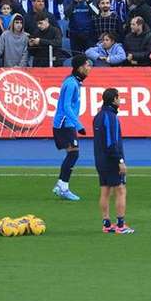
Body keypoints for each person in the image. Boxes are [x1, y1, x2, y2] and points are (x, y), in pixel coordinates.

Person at [92, 88, 134, 234]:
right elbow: (111, 142)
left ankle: (106, 224)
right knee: (121, 190)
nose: (120, 100)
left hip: (100, 159)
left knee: (105, 191)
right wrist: (120, 160)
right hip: (111, 160)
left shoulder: (98, 116)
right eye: (119, 98)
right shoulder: (111, 117)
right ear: (114, 99)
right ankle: (121, 225)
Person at [51, 55, 91, 201]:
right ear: (80, 67)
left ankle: (61, 184)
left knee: (72, 154)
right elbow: (66, 106)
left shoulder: (74, 82)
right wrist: (79, 125)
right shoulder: (71, 84)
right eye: (87, 65)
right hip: (64, 124)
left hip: (67, 124)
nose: (89, 68)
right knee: (73, 154)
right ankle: (63, 187)